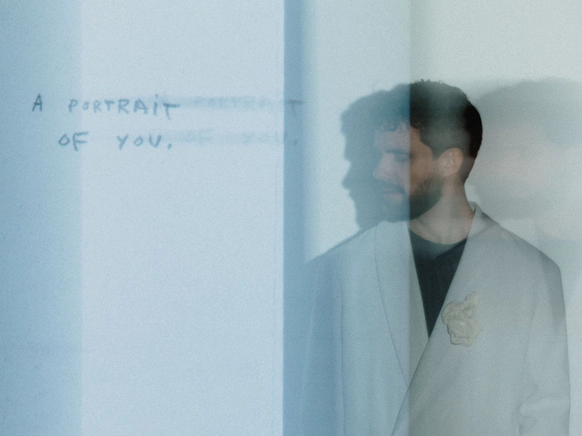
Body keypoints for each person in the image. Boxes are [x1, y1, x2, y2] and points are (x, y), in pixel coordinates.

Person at [301, 81, 569, 435]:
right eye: (378, 155)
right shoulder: (342, 270)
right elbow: (316, 410)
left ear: (449, 162)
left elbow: (545, 414)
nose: (380, 171)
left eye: (400, 158)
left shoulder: (531, 274)